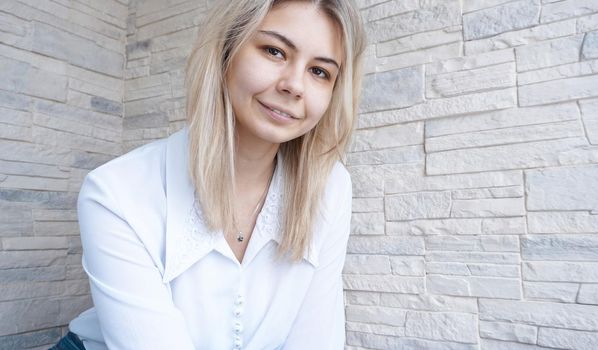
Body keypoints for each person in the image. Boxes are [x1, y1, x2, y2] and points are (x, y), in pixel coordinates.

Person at [49, 0, 366, 349]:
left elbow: (316, 339)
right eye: (274, 51)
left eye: (320, 72)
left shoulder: (331, 187)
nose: (295, 85)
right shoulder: (114, 191)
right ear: (226, 51)